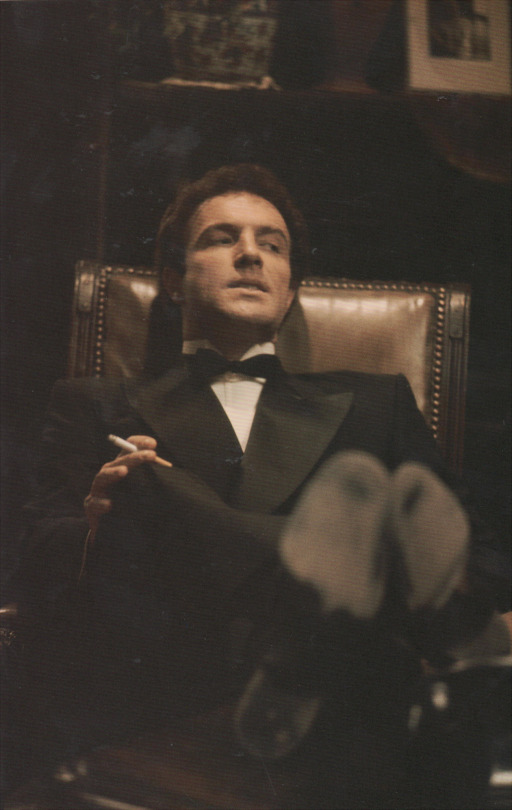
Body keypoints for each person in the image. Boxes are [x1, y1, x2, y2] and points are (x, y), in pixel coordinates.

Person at [9, 164, 511, 803]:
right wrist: (94, 525)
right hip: (156, 717)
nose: (250, 254)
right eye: (221, 239)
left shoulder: (376, 404)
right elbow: (34, 563)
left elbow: (477, 561)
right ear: (172, 280)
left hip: (337, 719)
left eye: (272, 245)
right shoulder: (96, 403)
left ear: (290, 289)